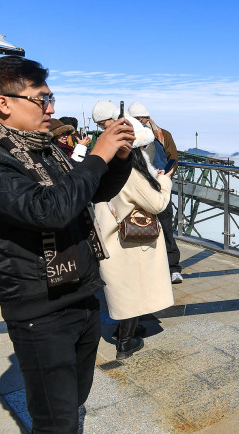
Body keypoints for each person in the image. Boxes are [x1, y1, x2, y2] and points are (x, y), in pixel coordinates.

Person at [0, 56, 134, 432]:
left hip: (80, 292)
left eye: (51, 98)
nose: (51, 108)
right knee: (57, 418)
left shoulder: (45, 146)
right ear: (3, 103)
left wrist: (116, 158)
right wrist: (97, 153)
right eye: (41, 99)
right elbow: (47, 210)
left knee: (75, 397)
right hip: (40, 308)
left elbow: (92, 190)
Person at [95, 116, 175, 360]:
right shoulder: (131, 173)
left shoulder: (107, 167)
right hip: (130, 241)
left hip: (111, 236)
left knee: (125, 288)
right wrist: (165, 180)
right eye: (144, 149)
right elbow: (157, 203)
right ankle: (125, 343)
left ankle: (124, 332)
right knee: (132, 290)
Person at [127, 102, 182, 284]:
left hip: (159, 185)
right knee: (144, 228)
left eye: (141, 119)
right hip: (142, 187)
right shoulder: (132, 135)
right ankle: (154, 268)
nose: (140, 122)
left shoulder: (163, 135)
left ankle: (173, 267)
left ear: (147, 118)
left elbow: (173, 158)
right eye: (136, 119)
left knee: (166, 227)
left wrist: (166, 174)